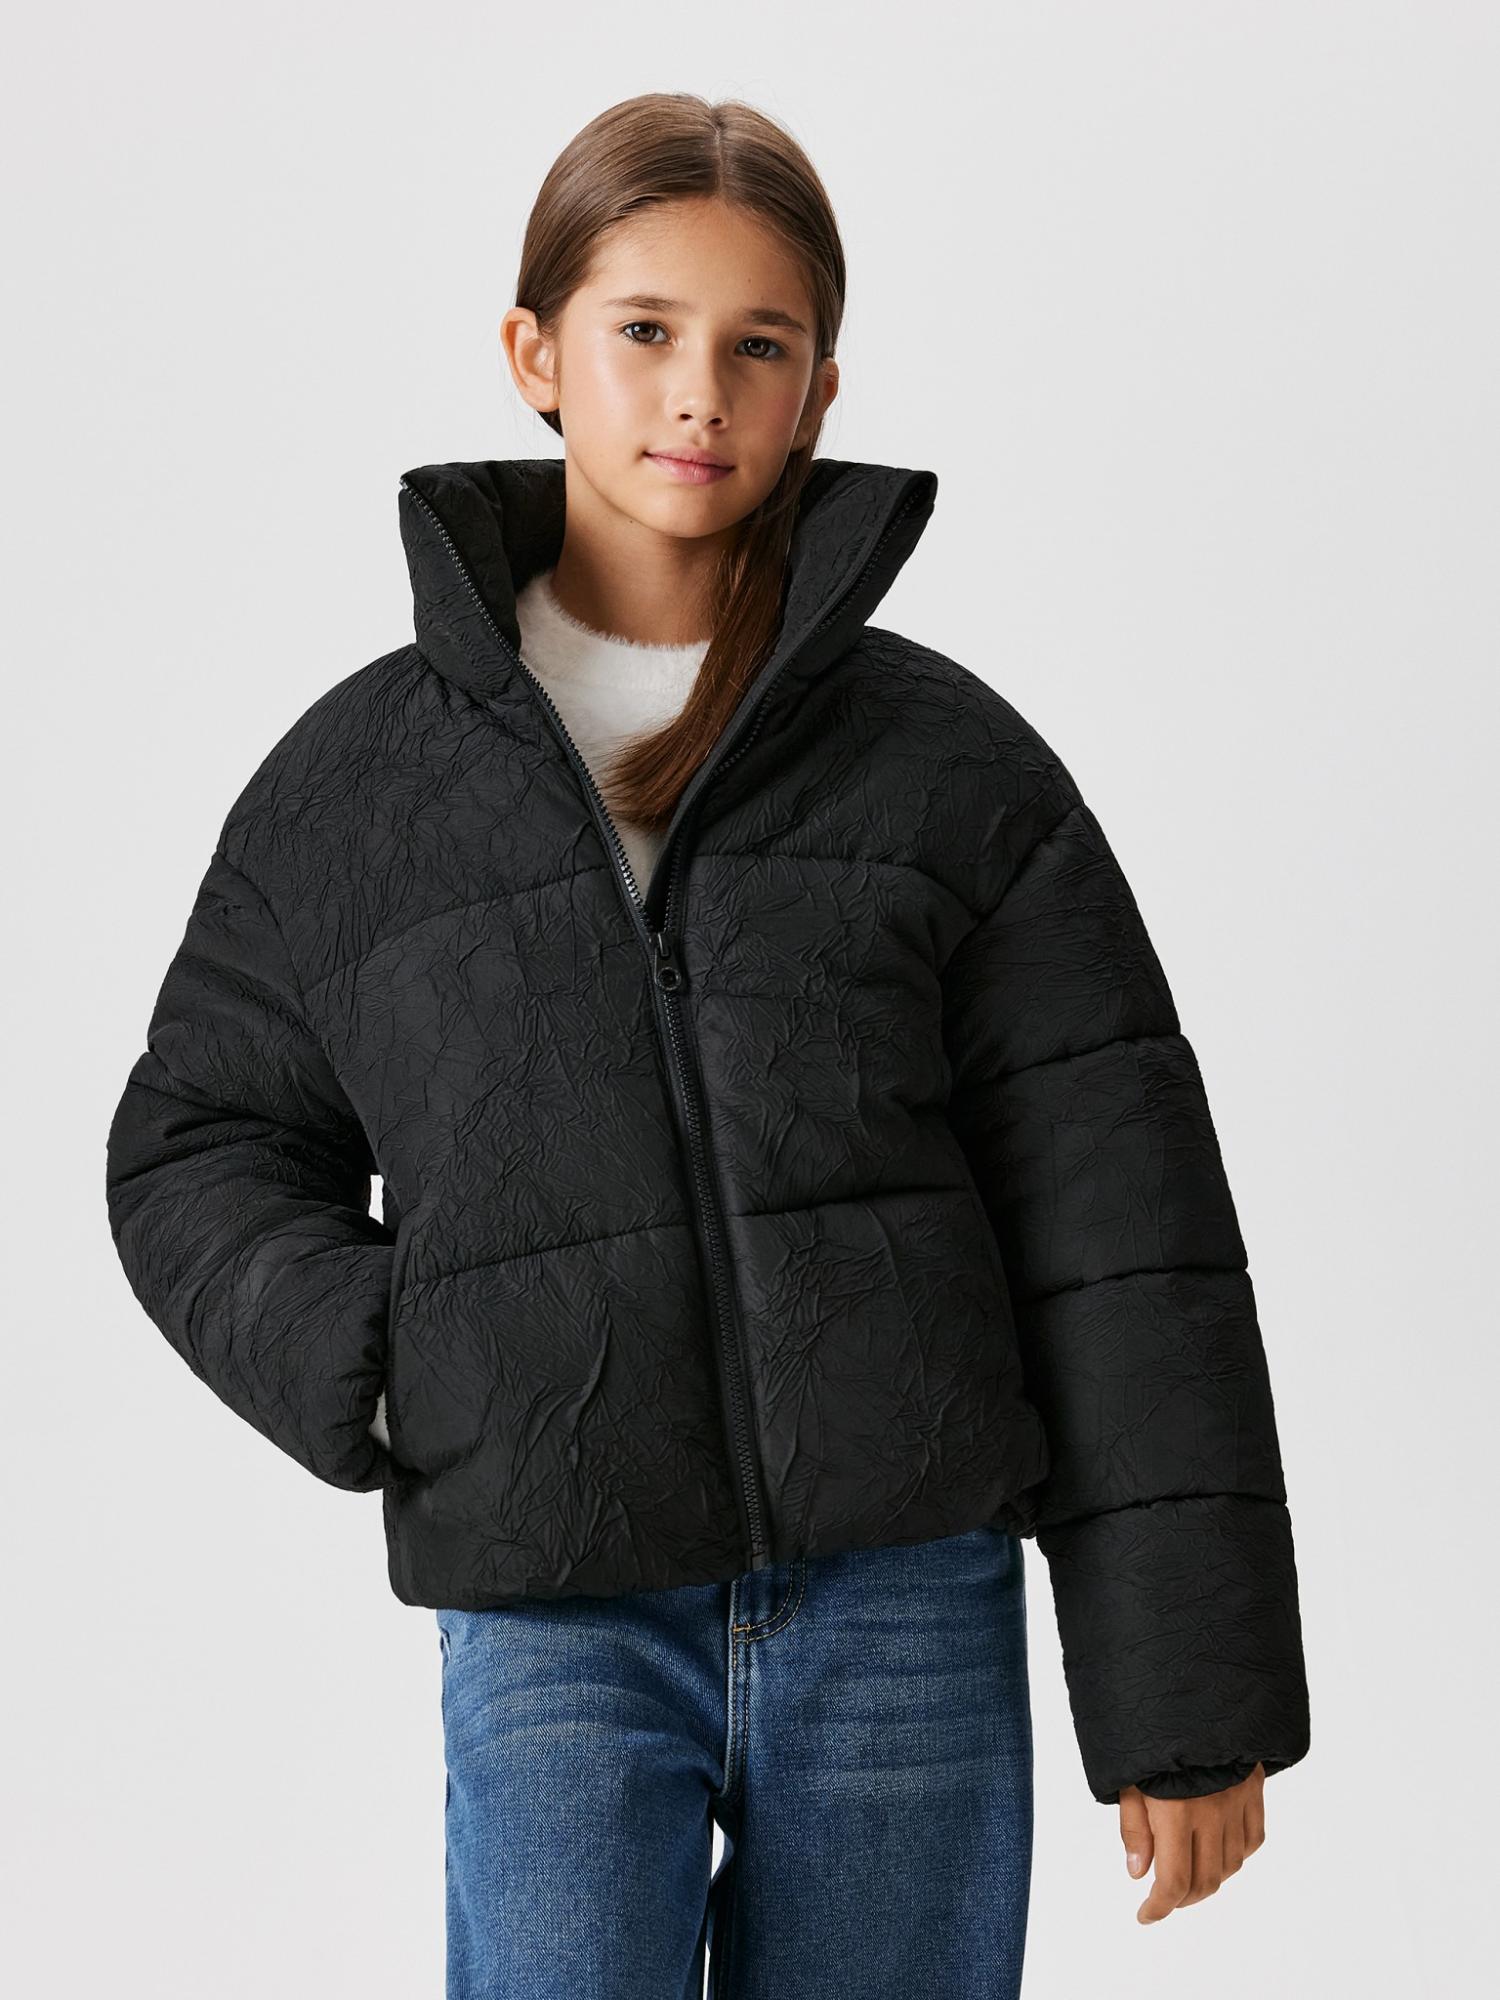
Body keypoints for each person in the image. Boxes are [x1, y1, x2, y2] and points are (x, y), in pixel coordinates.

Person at [104, 91, 1311, 2000]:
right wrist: (403, 1373)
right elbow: (197, 1147)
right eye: (645, 329)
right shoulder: (361, 791)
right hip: (557, 1599)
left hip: (907, 1601)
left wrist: (1188, 1689)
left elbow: (1122, 1218)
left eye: (761, 345)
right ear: (536, 356)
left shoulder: (949, 768)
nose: (700, 392)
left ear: (821, 389)